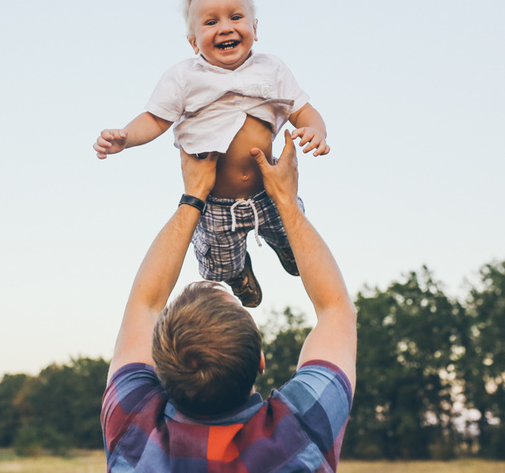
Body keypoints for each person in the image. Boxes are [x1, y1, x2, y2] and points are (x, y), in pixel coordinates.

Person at [101, 132, 357, 472]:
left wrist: (193, 196)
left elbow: (142, 304)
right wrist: (286, 201)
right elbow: (336, 308)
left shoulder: (133, 428)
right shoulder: (301, 430)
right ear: (261, 361)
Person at [93, 0, 329, 307]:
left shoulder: (271, 68)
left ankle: (288, 252)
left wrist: (316, 130)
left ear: (255, 28)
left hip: (269, 192)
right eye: (211, 22)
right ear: (194, 42)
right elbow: (156, 118)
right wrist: (126, 138)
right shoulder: (185, 77)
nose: (225, 27)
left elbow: (303, 109)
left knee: (295, 235)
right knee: (219, 263)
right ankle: (238, 274)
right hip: (218, 202)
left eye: (236, 17)